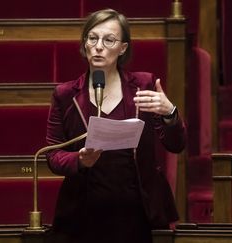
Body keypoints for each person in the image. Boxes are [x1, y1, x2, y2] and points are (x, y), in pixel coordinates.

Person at [45, 8, 186, 243]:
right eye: (92, 38)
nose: (99, 46)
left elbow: (176, 144)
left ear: (123, 48)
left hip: (138, 211)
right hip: (82, 213)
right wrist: (78, 160)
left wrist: (169, 113)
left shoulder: (144, 85)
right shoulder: (65, 94)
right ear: (84, 44)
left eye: (109, 40)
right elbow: (53, 155)